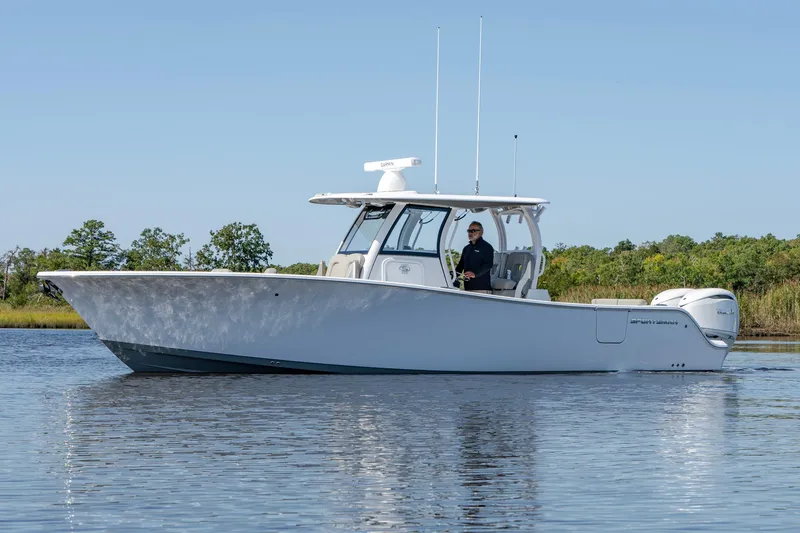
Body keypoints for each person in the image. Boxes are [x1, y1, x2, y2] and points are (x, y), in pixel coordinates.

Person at [454, 221, 494, 293]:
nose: (470, 233)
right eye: (469, 231)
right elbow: (460, 266)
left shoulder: (487, 247)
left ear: (481, 232)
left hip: (481, 289)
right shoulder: (466, 248)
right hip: (468, 289)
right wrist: (453, 275)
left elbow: (488, 265)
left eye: (473, 231)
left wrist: (475, 274)